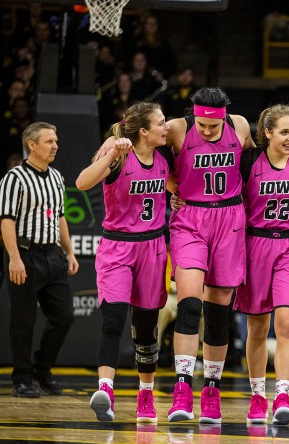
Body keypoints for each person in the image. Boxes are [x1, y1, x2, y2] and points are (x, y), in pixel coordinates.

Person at [99, 87, 254, 423]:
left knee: (217, 313)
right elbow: (138, 137)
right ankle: (182, 390)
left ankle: (211, 391)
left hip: (229, 219)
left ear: (224, 117)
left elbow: (258, 163)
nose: (208, 131)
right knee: (189, 304)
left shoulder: (240, 126)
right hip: (191, 220)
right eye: (203, 125)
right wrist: (112, 145)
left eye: (214, 126)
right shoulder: (177, 128)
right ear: (193, 115)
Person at [76, 102, 171, 423]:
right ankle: (106, 390)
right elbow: (82, 183)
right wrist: (111, 155)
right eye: (161, 123)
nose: (166, 127)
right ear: (143, 131)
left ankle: (146, 394)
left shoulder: (165, 157)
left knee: (146, 330)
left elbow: (175, 185)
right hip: (118, 246)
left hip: (153, 247)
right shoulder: (119, 157)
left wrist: (179, 195)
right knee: (113, 320)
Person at [233, 104, 289, 425]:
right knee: (257, 327)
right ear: (266, 133)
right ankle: (257, 395)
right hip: (255, 244)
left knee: (287, 325)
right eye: (284, 132)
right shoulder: (249, 160)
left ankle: (282, 394)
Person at [0, 122, 79, 397]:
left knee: (64, 316)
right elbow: (6, 221)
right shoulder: (14, 178)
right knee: (23, 321)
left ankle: (42, 369)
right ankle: (21, 377)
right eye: (48, 141)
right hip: (25, 254)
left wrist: (68, 251)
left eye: (55, 141)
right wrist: (14, 258)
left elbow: (59, 216)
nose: (55, 145)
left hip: (52, 255)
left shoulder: (56, 177)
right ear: (31, 145)